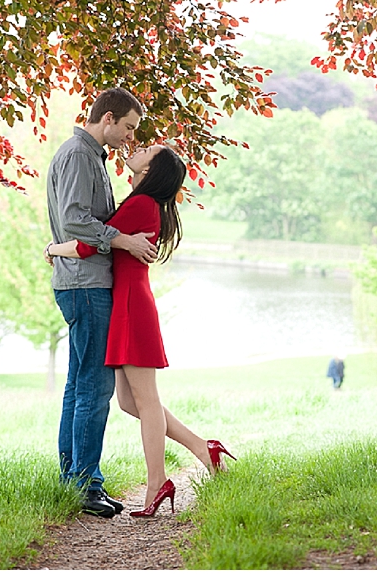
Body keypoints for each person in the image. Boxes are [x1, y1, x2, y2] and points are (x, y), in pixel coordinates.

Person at [46, 142, 236, 517]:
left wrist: (53, 249)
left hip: (131, 308)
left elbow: (88, 247)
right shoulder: (144, 204)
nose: (138, 147)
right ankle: (203, 448)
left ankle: (156, 484)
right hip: (128, 304)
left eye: (147, 149)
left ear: (150, 170)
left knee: (145, 402)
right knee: (130, 402)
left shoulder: (140, 204)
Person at [47, 87, 159, 519]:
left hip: (79, 281)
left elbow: (80, 223)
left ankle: (77, 480)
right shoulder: (79, 154)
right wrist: (123, 240)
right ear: (107, 117)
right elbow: (76, 218)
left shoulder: (90, 156)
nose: (130, 137)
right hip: (87, 285)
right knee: (95, 387)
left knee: (79, 385)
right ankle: (84, 484)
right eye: (128, 127)